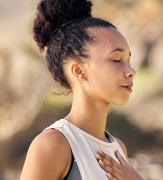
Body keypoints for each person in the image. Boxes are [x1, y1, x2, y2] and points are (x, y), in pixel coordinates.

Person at [20, 0, 143, 179]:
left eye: (128, 60)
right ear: (79, 71)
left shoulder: (118, 149)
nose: (130, 71)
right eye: (117, 60)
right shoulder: (54, 144)